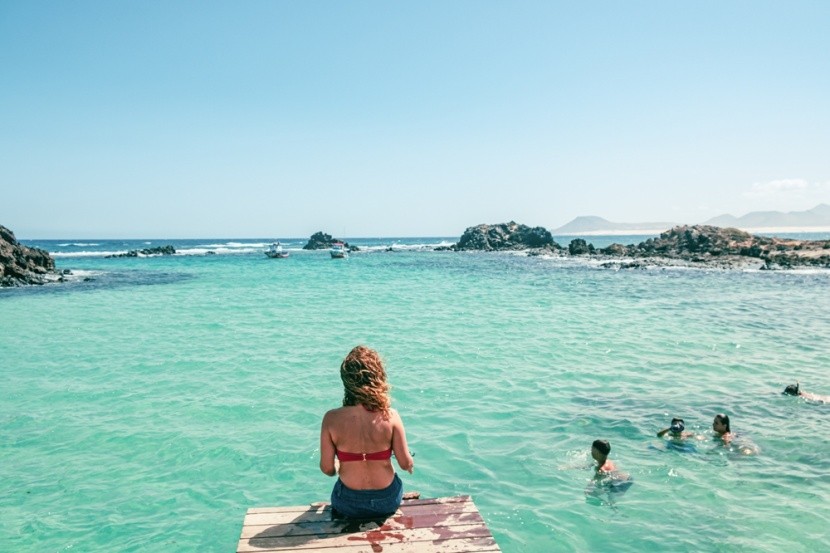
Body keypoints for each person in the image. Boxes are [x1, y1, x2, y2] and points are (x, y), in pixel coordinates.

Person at [320, 346, 415, 519]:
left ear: (346, 381)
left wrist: (338, 465)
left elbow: (327, 469)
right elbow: (404, 463)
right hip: (387, 500)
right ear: (378, 377)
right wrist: (410, 463)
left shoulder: (331, 419)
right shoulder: (391, 416)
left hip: (348, 502)